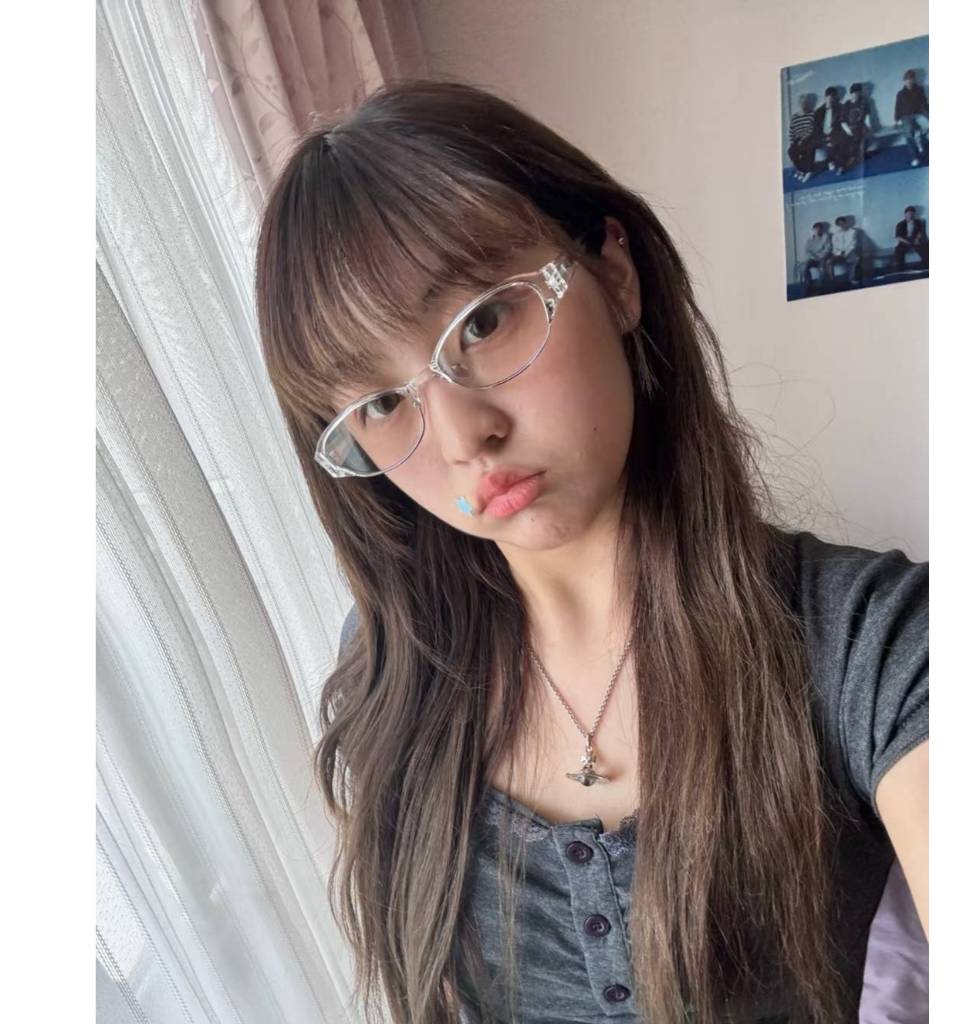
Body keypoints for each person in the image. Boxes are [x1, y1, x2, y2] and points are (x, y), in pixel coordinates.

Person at [254, 81, 928, 1024]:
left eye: (482, 322)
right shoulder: (397, 669)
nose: (462, 436)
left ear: (614, 276)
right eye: (383, 403)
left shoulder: (871, 641)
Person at [894, 68, 929, 167]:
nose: (909, 81)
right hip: (906, 117)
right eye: (907, 80)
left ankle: (924, 150)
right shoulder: (900, 94)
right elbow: (897, 107)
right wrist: (897, 119)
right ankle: (915, 157)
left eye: (911, 79)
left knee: (927, 128)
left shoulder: (919, 90)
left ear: (914, 80)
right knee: (908, 133)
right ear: (904, 81)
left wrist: (928, 115)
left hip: (918, 114)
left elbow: (924, 104)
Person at [787, 92, 818, 183]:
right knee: (791, 151)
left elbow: (811, 129)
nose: (803, 105)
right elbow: (792, 131)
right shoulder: (794, 117)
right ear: (799, 104)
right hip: (797, 139)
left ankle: (809, 171)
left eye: (805, 102)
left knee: (808, 148)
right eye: (801, 103)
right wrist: (792, 143)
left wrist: (803, 139)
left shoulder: (812, 114)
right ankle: (801, 169)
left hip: (809, 137)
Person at [816, 86, 848, 174]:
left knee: (840, 140)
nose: (830, 101)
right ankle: (830, 161)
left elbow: (842, 125)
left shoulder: (840, 108)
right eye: (828, 98)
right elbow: (816, 128)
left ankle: (841, 165)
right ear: (825, 98)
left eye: (833, 98)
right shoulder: (818, 111)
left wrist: (832, 136)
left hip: (835, 135)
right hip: (823, 135)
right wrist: (823, 138)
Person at [839, 82, 870, 172]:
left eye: (857, 93)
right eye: (854, 93)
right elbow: (843, 121)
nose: (855, 95)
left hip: (859, 127)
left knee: (856, 140)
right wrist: (848, 130)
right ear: (851, 94)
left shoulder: (864, 103)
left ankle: (850, 161)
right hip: (848, 128)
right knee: (843, 142)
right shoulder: (847, 104)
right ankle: (842, 164)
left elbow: (867, 117)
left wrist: (869, 127)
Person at [830, 215, 863, 285]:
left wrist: (845, 253)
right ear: (838, 225)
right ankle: (832, 281)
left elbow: (853, 245)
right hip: (838, 253)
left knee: (855, 259)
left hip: (850, 251)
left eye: (843, 223)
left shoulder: (853, 232)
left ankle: (852, 278)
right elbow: (834, 246)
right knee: (829, 262)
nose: (842, 225)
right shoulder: (836, 234)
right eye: (839, 224)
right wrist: (839, 253)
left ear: (846, 222)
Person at [895, 205, 929, 270]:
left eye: (912, 214)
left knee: (925, 247)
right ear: (905, 214)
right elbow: (898, 237)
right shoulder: (900, 224)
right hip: (905, 241)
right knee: (898, 250)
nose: (910, 215)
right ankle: (901, 268)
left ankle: (926, 266)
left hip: (915, 239)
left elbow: (920, 232)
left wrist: (917, 239)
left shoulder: (918, 222)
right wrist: (907, 242)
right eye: (909, 214)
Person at [804, 220, 832, 292]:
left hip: (822, 258)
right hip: (813, 258)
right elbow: (807, 250)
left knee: (822, 270)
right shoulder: (810, 239)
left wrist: (821, 256)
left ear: (822, 229)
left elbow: (828, 249)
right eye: (816, 229)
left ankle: (819, 287)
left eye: (819, 228)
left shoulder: (826, 237)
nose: (817, 230)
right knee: (805, 268)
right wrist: (814, 256)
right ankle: (808, 286)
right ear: (813, 230)